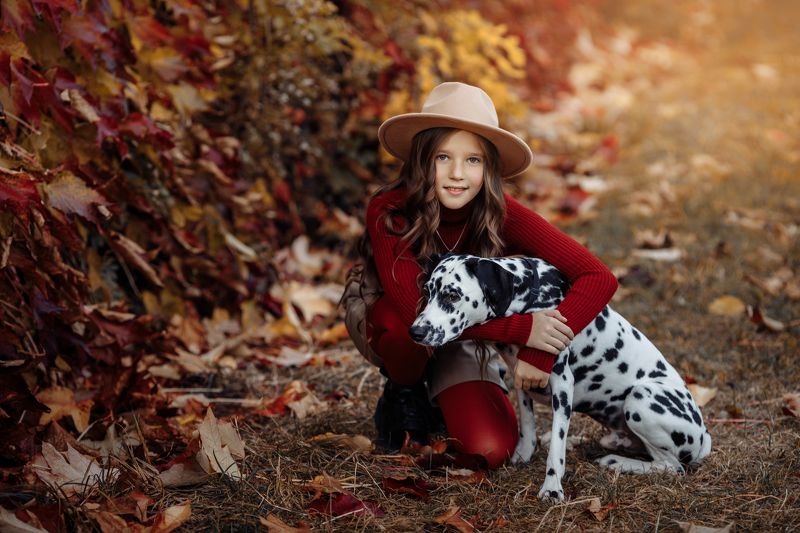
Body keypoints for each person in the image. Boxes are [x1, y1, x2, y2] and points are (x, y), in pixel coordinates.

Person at [351, 82, 618, 469]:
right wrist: (521, 330)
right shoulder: (388, 209)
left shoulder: (501, 211)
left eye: (473, 160)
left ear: (488, 167)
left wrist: (541, 349)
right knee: (400, 328)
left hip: (469, 331)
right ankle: (404, 390)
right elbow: (415, 309)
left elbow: (598, 277)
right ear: (420, 160)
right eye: (443, 157)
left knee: (490, 450)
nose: (458, 174)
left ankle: (447, 395)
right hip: (401, 321)